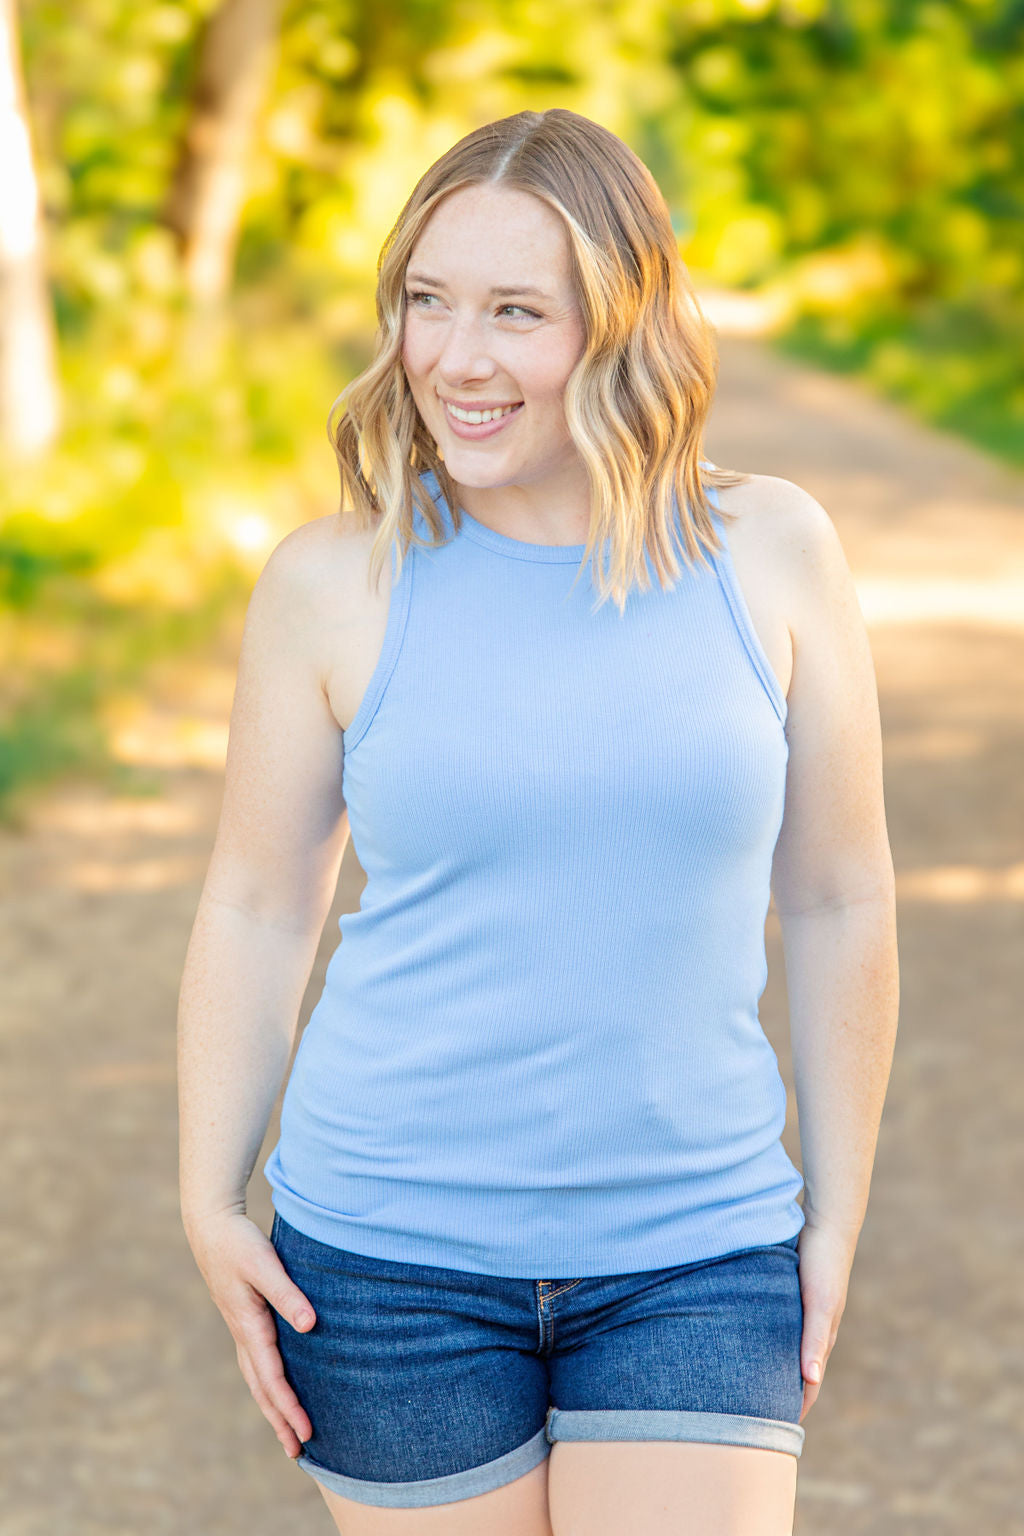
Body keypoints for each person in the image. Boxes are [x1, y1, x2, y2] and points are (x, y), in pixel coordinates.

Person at [177, 108, 900, 1536]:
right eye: (427, 303)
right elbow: (260, 904)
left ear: (623, 323)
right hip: (386, 1262)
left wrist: (838, 1212)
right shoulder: (334, 582)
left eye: (517, 311)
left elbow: (840, 897)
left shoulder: (773, 552)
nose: (456, 357)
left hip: (695, 1251)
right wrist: (208, 1199)